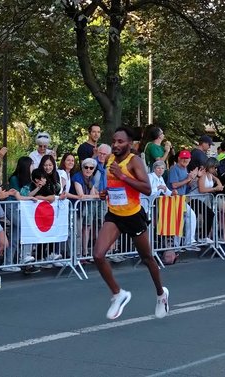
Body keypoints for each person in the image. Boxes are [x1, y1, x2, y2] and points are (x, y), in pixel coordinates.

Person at [94, 127, 168, 320]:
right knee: (98, 255)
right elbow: (113, 186)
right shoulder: (110, 159)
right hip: (114, 215)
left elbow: (146, 188)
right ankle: (118, 294)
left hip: (133, 216)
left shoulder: (134, 161)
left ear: (129, 143)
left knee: (147, 258)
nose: (116, 145)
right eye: (114, 141)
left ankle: (161, 294)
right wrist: (105, 193)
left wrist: (123, 176)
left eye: (120, 142)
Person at [167, 150, 199, 251]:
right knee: (188, 217)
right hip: (174, 198)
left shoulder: (185, 169)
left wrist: (194, 178)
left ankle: (180, 245)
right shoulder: (174, 169)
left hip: (181, 198)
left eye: (187, 158)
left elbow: (187, 185)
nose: (185, 160)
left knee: (181, 220)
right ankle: (187, 242)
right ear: (179, 158)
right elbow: (174, 185)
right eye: (183, 158)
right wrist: (188, 179)